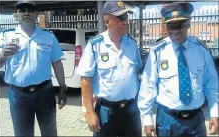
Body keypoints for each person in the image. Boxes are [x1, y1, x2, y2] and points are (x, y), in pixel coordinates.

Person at [138, 2, 218, 137]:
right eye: (170, 26)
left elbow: (211, 84)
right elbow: (148, 87)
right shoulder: (157, 52)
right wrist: (147, 120)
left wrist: (215, 113)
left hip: (196, 120)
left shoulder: (201, 51)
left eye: (179, 25)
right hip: (167, 120)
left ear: (188, 24)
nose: (175, 30)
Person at [0, 0, 67, 136]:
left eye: (30, 10)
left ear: (36, 14)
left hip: (45, 93)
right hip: (18, 95)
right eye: (22, 10)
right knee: (23, 134)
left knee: (50, 133)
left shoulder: (49, 37)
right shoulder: (5, 36)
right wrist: (3, 54)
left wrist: (63, 88)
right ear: (16, 15)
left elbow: (57, 63)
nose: (26, 13)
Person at [77, 1, 142, 136]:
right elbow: (85, 80)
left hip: (130, 110)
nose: (125, 22)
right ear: (107, 21)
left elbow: (138, 73)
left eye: (126, 18)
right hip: (106, 111)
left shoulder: (132, 44)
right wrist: (90, 112)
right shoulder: (95, 45)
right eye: (120, 18)